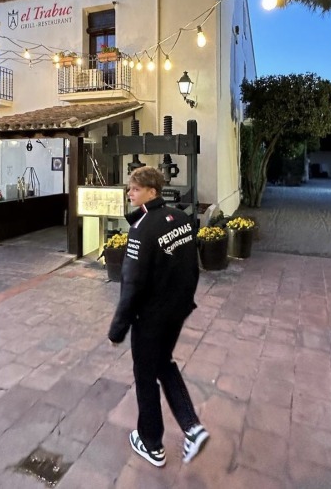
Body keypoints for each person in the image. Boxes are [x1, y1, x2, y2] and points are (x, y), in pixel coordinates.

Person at [108, 166, 209, 467]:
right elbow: (192, 269)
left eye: (136, 189)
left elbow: (132, 284)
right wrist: (184, 303)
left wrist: (117, 329)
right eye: (129, 188)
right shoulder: (181, 219)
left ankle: (151, 444)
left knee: (145, 376)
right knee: (163, 363)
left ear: (152, 192)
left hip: (150, 318)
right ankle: (192, 427)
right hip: (176, 312)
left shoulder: (142, 229)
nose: (130, 193)